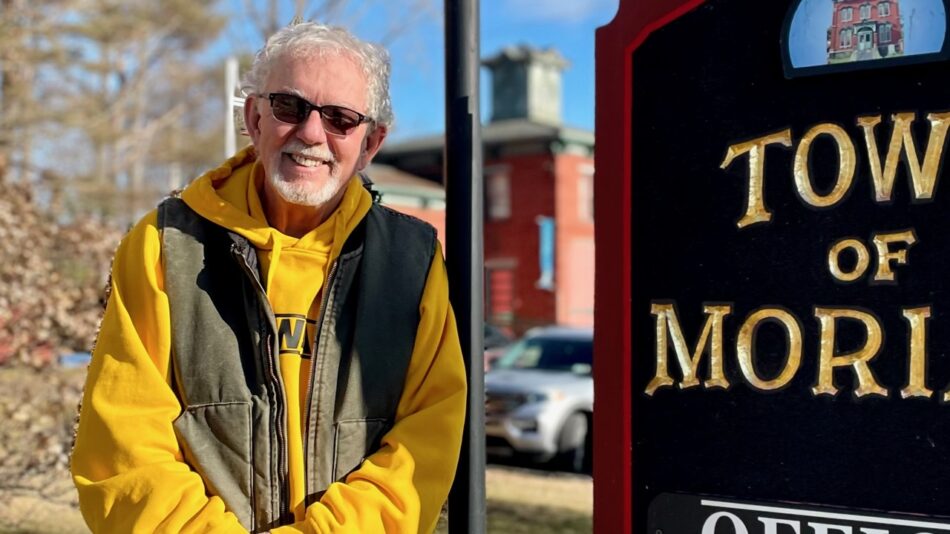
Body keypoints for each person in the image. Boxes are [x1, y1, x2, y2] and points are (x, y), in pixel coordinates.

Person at [70, 21, 467, 534]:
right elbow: (123, 447)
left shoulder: (413, 262)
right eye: (289, 107)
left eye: (341, 119)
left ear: (371, 143)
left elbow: (426, 440)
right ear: (254, 117)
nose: (310, 133)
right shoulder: (161, 246)